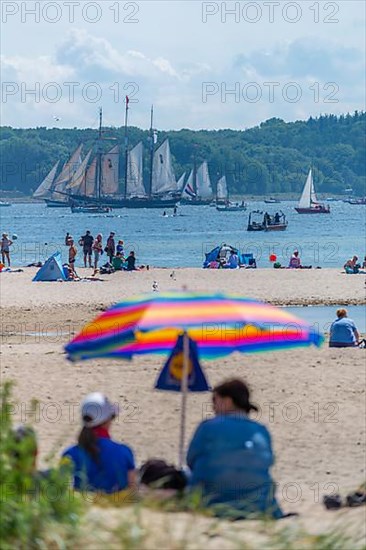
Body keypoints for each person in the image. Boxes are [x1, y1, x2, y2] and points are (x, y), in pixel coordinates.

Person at [187, 378, 283, 519]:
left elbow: (191, 460)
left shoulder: (208, 427)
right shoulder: (261, 430)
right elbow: (267, 462)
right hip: (260, 506)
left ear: (227, 401)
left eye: (215, 401)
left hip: (213, 502)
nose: (213, 407)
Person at [62, 392, 136, 493]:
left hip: (82, 507)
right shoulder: (124, 452)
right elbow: (132, 491)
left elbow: (61, 488)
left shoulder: (70, 454)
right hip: (115, 506)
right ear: (107, 420)